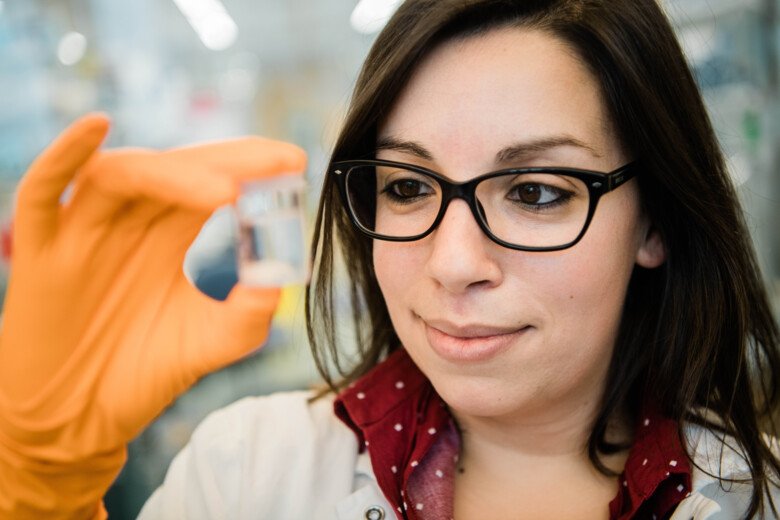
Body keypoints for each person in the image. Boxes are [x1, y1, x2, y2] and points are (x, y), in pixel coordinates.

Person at [0, 0, 779, 518]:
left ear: (654, 222)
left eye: (536, 192)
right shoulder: (250, 472)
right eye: (407, 186)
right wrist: (41, 489)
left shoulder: (758, 498)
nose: (453, 263)